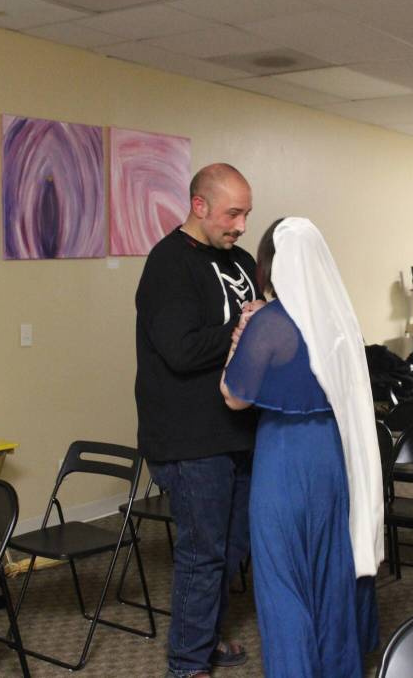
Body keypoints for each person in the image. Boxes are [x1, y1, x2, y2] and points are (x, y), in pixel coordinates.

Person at [221, 217, 383, 678]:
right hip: (331, 455)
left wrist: (238, 340)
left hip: (283, 459)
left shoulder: (269, 323)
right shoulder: (338, 318)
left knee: (282, 581)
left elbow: (234, 396)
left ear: (268, 266)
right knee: (332, 575)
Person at [135, 163, 265, 678]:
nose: (240, 225)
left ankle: (204, 638)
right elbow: (181, 350)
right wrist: (241, 328)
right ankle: (187, 664)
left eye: (246, 214)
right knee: (202, 553)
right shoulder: (168, 263)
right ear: (199, 205)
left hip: (238, 431)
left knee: (233, 547)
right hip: (189, 440)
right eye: (232, 213)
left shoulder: (242, 260)